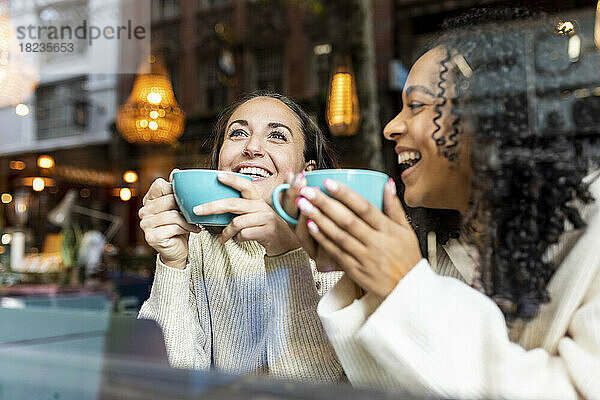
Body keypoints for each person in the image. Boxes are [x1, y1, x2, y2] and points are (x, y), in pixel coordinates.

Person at [288, 9, 600, 399]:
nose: (390, 127)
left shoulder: (595, 231)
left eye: (416, 106)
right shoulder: (454, 249)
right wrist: (362, 275)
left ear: (490, 116)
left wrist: (404, 285)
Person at [137, 91, 344, 383]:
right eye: (238, 133)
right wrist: (172, 262)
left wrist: (286, 251)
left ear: (306, 170)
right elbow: (169, 379)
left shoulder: (334, 247)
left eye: (277, 136)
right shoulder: (198, 242)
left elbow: (316, 384)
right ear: (220, 160)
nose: (252, 147)